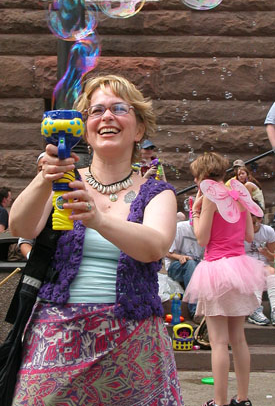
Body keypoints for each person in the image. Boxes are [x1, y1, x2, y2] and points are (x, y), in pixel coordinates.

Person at [9, 74, 184, 405]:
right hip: (58, 333)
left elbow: (154, 247)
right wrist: (44, 178)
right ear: (83, 129)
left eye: (120, 108)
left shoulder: (156, 192)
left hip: (133, 337)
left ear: (140, 129)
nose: (107, 116)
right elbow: (21, 225)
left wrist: (98, 220)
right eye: (96, 110)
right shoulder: (62, 178)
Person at [183, 152, 266, 406]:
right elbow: (250, 237)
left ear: (202, 178)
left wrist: (195, 212)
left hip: (216, 270)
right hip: (240, 268)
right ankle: (242, 399)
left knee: (218, 342)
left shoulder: (209, 197)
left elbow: (202, 239)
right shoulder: (238, 195)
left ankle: (219, 402)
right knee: (238, 339)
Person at [165, 219, 204, 322]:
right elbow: (166, 251)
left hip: (196, 265)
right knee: (190, 264)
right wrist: (180, 257)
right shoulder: (180, 227)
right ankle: (194, 310)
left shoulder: (206, 232)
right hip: (176, 266)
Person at [245, 213, 275, 326]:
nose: (251, 225)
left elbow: (272, 257)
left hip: (263, 265)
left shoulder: (268, 231)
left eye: (254, 222)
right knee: (256, 273)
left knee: (271, 271)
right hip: (244, 265)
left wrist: (267, 253)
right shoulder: (240, 230)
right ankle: (255, 309)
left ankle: (274, 310)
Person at [17, 152, 46, 260]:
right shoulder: (33, 201)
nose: (45, 172)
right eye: (40, 169)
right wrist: (35, 260)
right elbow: (24, 241)